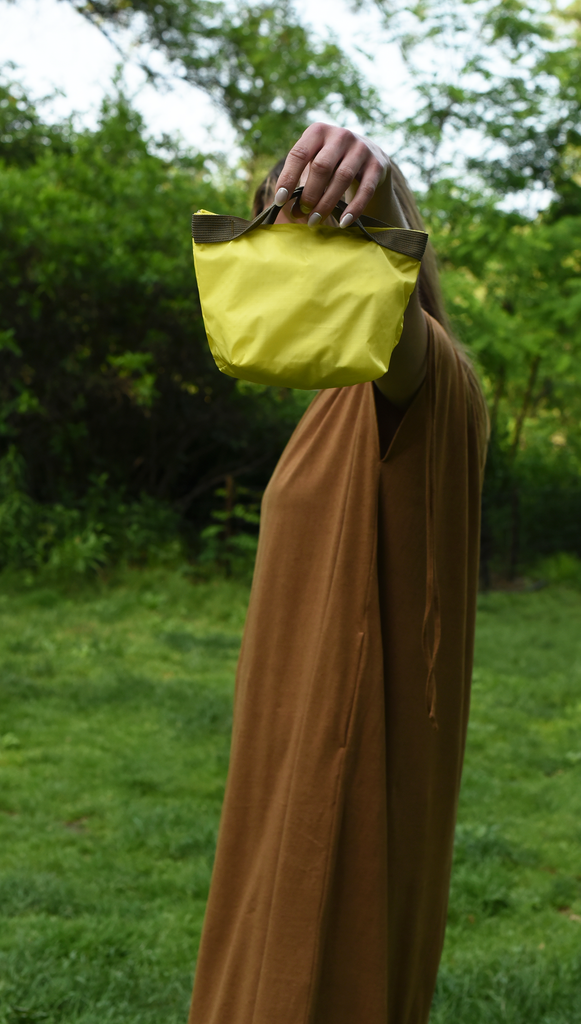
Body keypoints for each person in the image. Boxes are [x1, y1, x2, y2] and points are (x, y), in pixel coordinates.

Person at [188, 123, 488, 1024]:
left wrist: (379, 191)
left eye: (322, 217)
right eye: (282, 216)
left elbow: (395, 334)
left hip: (348, 756)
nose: (295, 242)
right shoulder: (334, 398)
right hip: (278, 748)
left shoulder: (425, 379)